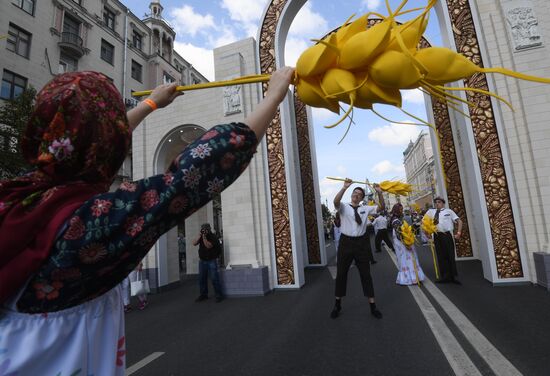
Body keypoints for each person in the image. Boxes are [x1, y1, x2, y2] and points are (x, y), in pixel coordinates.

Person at [0, 67, 295, 375]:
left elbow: (89, 144)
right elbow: (196, 173)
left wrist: (150, 104)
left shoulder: (21, 195)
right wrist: (273, 96)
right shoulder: (90, 225)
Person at [330, 178, 385, 320]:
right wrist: (344, 187)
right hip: (345, 243)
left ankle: (373, 306)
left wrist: (379, 193)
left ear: (361, 198)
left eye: (359, 194)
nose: (356, 195)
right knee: (341, 274)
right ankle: (337, 305)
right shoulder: (343, 206)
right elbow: (335, 202)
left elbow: (381, 208)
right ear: (351, 194)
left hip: (361, 244)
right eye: (355, 192)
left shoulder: (365, 209)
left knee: (366, 275)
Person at [423, 196, 463, 284]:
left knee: (450, 255)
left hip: (447, 235)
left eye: (439, 202)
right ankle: (444, 276)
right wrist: (427, 233)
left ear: (443, 203)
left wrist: (459, 233)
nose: (437, 204)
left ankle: (453, 277)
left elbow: (459, 221)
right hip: (437, 236)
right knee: (440, 256)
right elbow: (424, 222)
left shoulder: (448, 211)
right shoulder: (431, 212)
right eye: (436, 202)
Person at [390, 204, 425, 285]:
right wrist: (407, 244)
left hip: (406, 240)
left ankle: (415, 277)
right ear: (396, 210)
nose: (401, 211)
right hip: (402, 243)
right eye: (400, 209)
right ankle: (412, 278)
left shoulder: (400, 217)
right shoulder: (395, 219)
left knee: (411, 259)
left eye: (402, 209)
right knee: (407, 260)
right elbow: (399, 233)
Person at [193, 223, 223, 303]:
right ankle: (203, 295)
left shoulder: (213, 237)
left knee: (214, 279)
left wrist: (204, 238)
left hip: (211, 260)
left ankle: (219, 295)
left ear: (208, 229)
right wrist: (200, 236)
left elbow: (208, 246)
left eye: (205, 229)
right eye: (202, 229)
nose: (204, 231)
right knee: (202, 279)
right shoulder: (201, 236)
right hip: (202, 261)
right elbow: (194, 243)